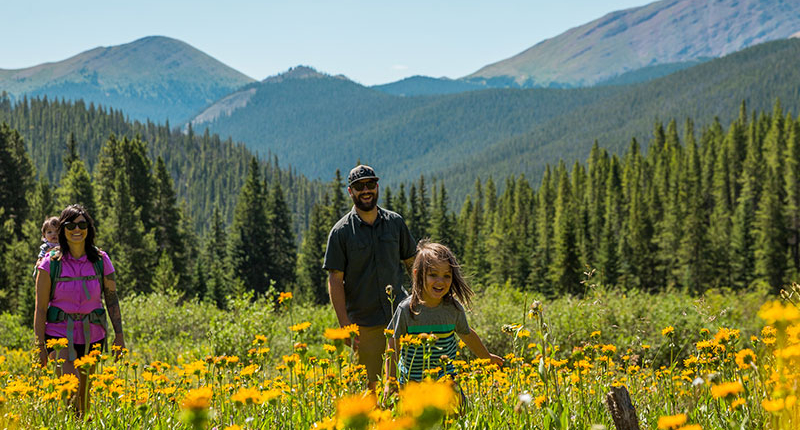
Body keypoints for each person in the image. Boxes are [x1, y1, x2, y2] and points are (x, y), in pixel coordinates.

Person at [323, 165, 417, 388]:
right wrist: (345, 323)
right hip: (364, 326)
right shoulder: (341, 232)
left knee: (403, 384)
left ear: (377, 186)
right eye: (358, 186)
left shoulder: (395, 223)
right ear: (350, 191)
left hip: (400, 319)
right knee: (371, 388)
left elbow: (413, 264)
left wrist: (420, 304)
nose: (365, 190)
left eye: (370, 184)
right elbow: (335, 280)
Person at [33, 204, 125, 415]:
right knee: (71, 390)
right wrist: (39, 345)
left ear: (88, 228)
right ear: (62, 229)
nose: (77, 229)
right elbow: (40, 309)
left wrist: (119, 336)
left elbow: (112, 300)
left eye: (82, 224)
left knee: (84, 397)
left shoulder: (101, 260)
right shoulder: (49, 264)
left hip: (93, 335)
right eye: (70, 225)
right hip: (58, 336)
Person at [385, 240, 503, 392]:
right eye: (433, 274)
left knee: (457, 406)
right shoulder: (407, 309)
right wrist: (390, 381)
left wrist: (486, 357)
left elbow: (466, 334)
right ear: (418, 274)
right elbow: (393, 344)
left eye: (447, 276)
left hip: (445, 377)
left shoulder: (453, 309)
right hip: (411, 381)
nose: (440, 281)